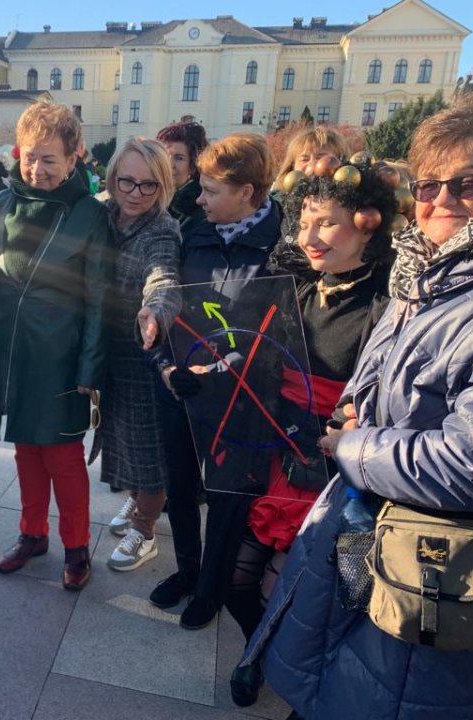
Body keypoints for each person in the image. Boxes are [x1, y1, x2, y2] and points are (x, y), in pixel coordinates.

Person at [243, 89, 473, 720]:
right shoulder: (427, 272)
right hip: (374, 530)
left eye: (467, 182)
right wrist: (355, 414)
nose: (441, 201)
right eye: (427, 186)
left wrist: (355, 446)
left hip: (438, 566)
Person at [224, 160, 396, 708]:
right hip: (280, 451)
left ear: (367, 224)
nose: (309, 236)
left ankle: (303, 687)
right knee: (240, 582)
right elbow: (261, 353)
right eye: (304, 221)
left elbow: (382, 397)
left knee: (324, 599)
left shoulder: (385, 303)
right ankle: (261, 652)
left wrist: (347, 426)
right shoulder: (298, 287)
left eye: (326, 222)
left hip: (340, 472)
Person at [0, 102, 110, 591]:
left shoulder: (91, 213)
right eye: (30, 157)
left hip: (61, 352)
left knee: (63, 457)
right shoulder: (4, 201)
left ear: (74, 158)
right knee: (25, 447)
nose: (37, 168)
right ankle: (32, 533)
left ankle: (75, 545)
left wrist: (89, 366)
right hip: (8, 345)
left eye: (50, 159)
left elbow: (98, 296)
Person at [148, 134, 283, 630]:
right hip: (183, 386)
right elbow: (165, 303)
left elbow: (280, 326)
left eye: (210, 191)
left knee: (227, 497)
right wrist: (165, 365)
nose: (198, 199)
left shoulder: (281, 245)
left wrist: (235, 365)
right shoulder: (194, 232)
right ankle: (186, 571)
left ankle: (211, 588)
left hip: (243, 398)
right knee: (180, 485)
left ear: (247, 191)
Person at [92, 137, 181, 571]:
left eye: (148, 185)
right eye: (126, 180)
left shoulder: (162, 228)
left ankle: (145, 529)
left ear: (162, 186)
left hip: (143, 348)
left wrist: (156, 311)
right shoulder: (101, 213)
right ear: (112, 177)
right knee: (121, 435)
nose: (135, 193)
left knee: (148, 445)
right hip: (106, 346)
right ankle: (135, 500)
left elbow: (163, 277)